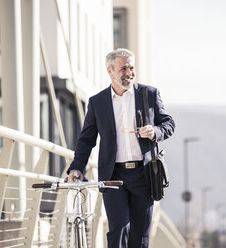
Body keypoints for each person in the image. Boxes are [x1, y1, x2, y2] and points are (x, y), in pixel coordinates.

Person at [67, 48, 175, 248]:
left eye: (131, 67)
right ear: (110, 71)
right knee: (118, 230)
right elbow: (86, 140)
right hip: (113, 176)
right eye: (123, 68)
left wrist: (155, 132)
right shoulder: (97, 102)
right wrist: (77, 168)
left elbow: (169, 124)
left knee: (140, 237)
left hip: (144, 175)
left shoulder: (149, 94)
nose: (129, 72)